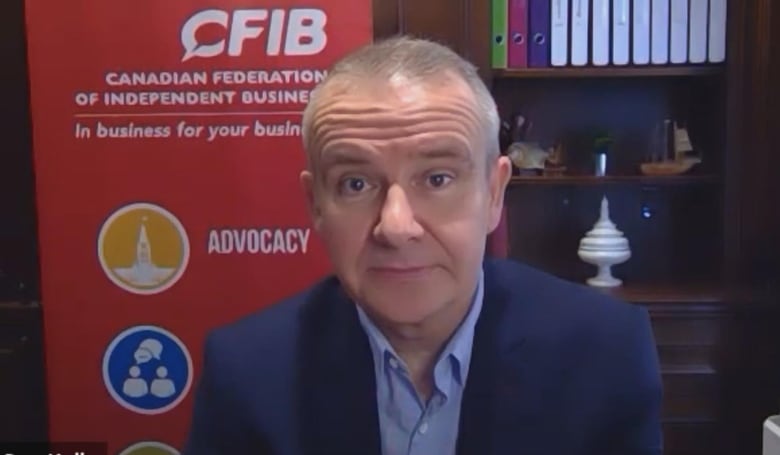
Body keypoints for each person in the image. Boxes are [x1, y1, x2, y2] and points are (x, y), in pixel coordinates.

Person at [182, 36, 663, 455]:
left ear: (494, 195)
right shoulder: (247, 371)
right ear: (315, 205)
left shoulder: (604, 352)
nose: (396, 226)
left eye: (436, 178)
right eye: (355, 184)